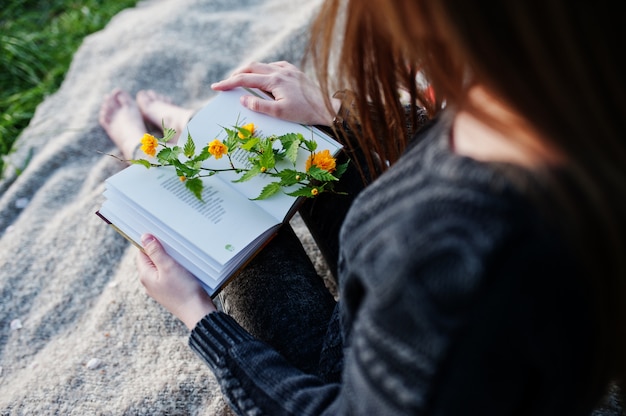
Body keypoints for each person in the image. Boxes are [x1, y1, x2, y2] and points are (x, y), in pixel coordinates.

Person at [99, 0, 626, 414]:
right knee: (301, 149)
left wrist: (197, 315)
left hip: (340, 370)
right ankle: (192, 132)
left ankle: (154, 151)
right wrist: (337, 111)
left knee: (241, 230)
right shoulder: (578, 91)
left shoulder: (448, 263)